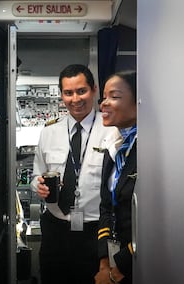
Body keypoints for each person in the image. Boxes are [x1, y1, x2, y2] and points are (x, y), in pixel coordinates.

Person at [30, 64, 121, 284]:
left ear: (94, 90)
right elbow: (36, 175)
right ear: (61, 95)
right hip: (56, 230)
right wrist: (38, 186)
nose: (75, 99)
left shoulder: (112, 130)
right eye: (68, 93)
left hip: (95, 231)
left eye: (81, 91)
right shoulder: (49, 132)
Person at [95, 70, 137, 284]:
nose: (104, 103)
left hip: (141, 263)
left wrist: (117, 271)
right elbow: (106, 206)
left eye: (115, 96)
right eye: (104, 97)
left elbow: (155, 224)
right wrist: (105, 263)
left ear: (139, 101)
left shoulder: (153, 151)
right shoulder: (113, 146)